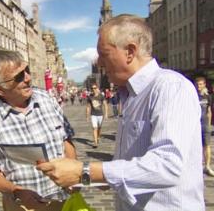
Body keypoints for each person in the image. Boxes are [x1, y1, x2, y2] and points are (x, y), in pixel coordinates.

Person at [37, 14, 204, 210]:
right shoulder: (130, 94)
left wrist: (87, 171)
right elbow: (133, 164)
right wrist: (93, 178)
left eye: (104, 54)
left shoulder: (170, 86)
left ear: (130, 52)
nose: (99, 62)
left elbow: (167, 165)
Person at [0, 50, 76, 211]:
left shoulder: (47, 99)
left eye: (26, 70)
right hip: (23, 206)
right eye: (19, 76)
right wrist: (17, 192)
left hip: (66, 199)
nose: (28, 78)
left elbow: (66, 139)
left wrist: (74, 173)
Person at [195, 77, 214, 176]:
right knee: (197, 146)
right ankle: (198, 167)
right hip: (196, 125)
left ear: (204, 85)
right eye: (197, 84)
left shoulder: (208, 97)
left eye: (201, 84)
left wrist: (209, 124)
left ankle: (207, 166)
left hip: (205, 124)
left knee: (207, 145)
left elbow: (209, 111)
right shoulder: (193, 96)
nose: (199, 87)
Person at [86, 83, 108, 148]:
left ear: (97, 88)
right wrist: (87, 116)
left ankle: (98, 137)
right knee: (94, 128)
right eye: (92, 88)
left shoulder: (101, 96)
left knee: (99, 128)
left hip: (100, 114)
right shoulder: (90, 97)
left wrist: (106, 113)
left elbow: (105, 105)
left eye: (95, 88)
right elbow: (88, 107)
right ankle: (95, 142)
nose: (94, 89)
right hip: (93, 114)